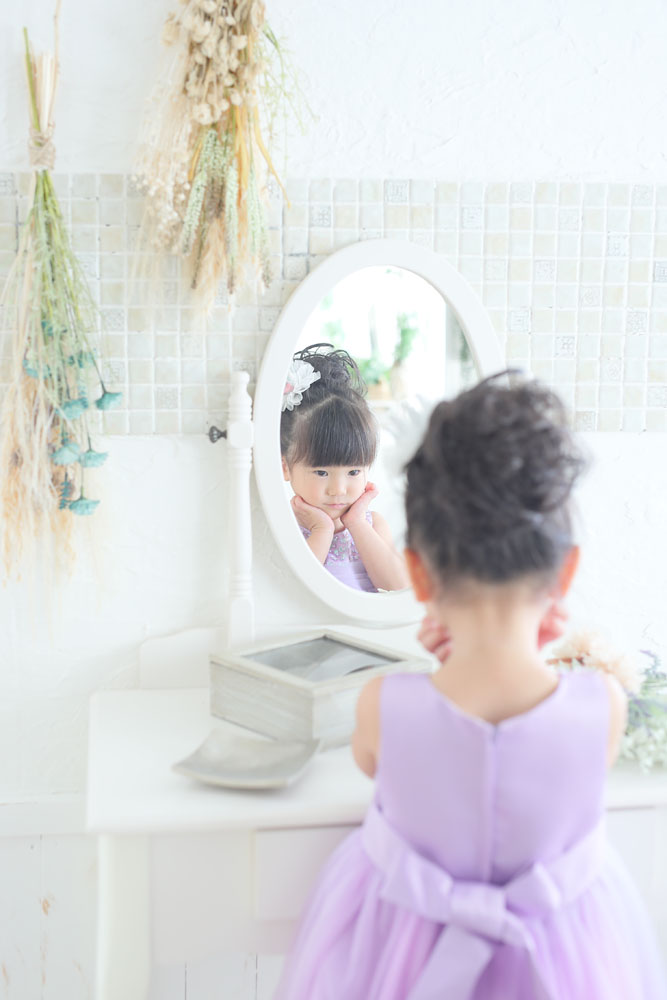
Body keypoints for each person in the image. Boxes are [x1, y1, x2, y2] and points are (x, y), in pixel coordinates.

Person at [274, 373, 665, 1000]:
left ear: (420, 575)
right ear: (565, 572)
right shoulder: (604, 708)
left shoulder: (382, 708)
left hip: (407, 962)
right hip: (558, 968)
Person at [281, 343, 409, 593]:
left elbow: (398, 587)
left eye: (353, 472)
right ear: (285, 467)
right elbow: (292, 593)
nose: (338, 489)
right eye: (321, 472)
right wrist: (321, 530)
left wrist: (357, 523)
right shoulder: (286, 527)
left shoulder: (373, 525)